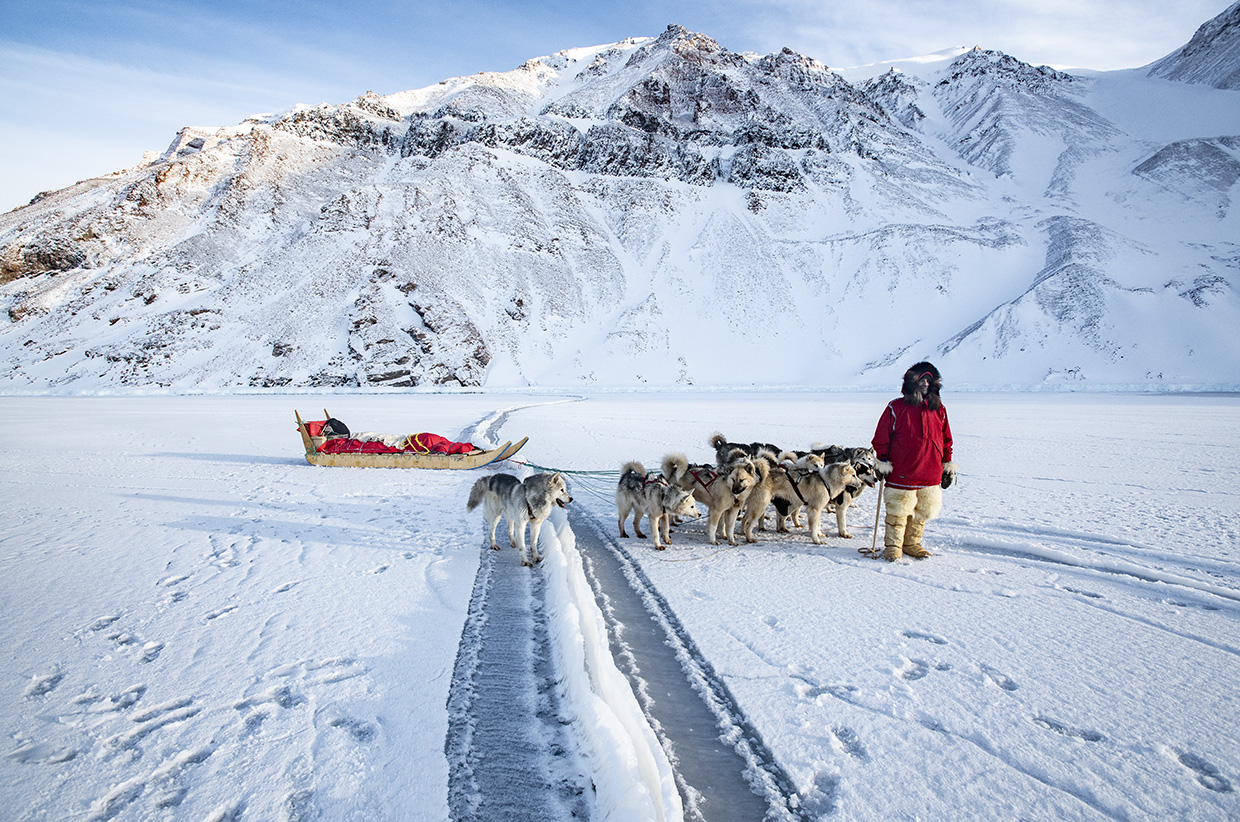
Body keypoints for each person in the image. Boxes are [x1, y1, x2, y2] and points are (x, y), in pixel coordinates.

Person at [871, 362, 956, 561]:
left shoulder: (939, 409)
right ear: (912, 383)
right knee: (898, 510)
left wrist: (947, 465)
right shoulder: (896, 407)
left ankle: (911, 544)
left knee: (922, 511)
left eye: (928, 380)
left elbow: (946, 439)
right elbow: (881, 437)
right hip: (903, 469)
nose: (925, 383)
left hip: (931, 470)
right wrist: (883, 460)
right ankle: (893, 547)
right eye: (921, 380)